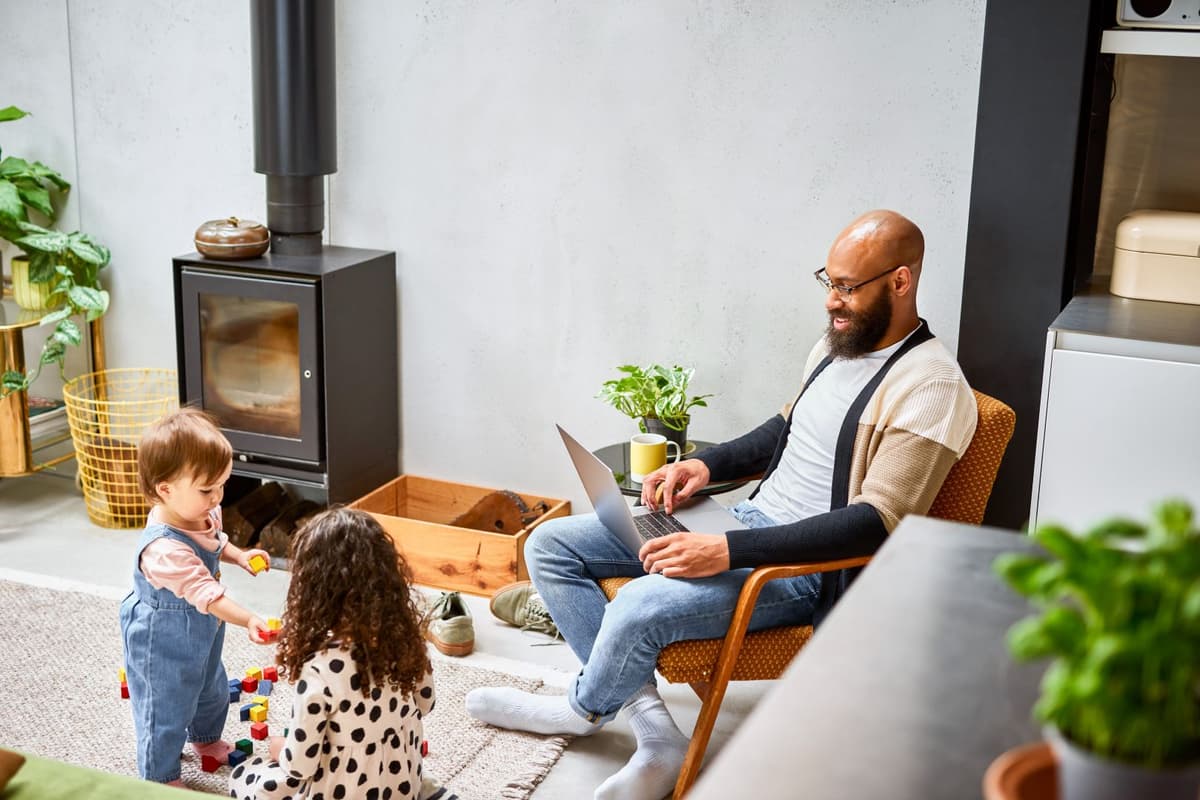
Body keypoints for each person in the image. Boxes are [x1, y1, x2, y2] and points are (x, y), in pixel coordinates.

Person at [466, 209, 978, 799]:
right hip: (743, 524)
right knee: (550, 545)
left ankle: (579, 711)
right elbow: (782, 433)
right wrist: (704, 467)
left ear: (901, 281)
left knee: (636, 604)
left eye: (847, 287)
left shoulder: (932, 387)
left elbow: (872, 526)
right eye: (828, 282)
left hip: (802, 572)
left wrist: (724, 550)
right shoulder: (837, 347)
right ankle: (657, 736)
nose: (831, 302)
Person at [229, 507, 456, 800]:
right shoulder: (406, 640)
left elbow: (300, 766)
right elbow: (425, 705)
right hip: (401, 785)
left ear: (311, 591)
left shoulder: (319, 671)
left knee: (244, 777)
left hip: (339, 791)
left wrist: (280, 749)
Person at [120, 407, 274, 787]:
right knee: (165, 706)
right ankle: (159, 775)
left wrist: (239, 555)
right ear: (165, 490)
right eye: (207, 489)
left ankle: (205, 739)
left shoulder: (203, 510)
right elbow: (206, 592)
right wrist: (249, 618)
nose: (217, 496)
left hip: (202, 626)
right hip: (162, 635)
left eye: (222, 484)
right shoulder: (163, 551)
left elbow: (212, 541)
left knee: (211, 686)